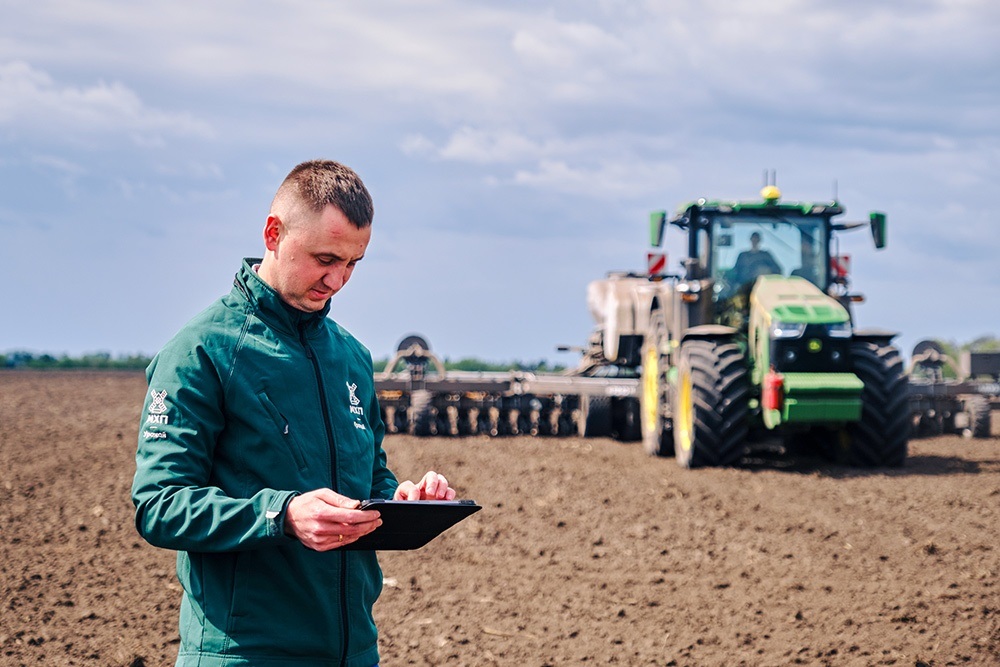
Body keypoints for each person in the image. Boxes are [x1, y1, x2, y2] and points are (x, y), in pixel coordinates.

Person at [131, 159, 456, 667]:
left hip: (353, 650)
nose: (338, 280)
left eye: (353, 263)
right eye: (325, 258)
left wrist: (403, 500)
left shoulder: (350, 356)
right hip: (245, 652)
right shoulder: (202, 350)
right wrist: (279, 515)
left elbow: (367, 476)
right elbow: (160, 504)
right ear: (273, 232)